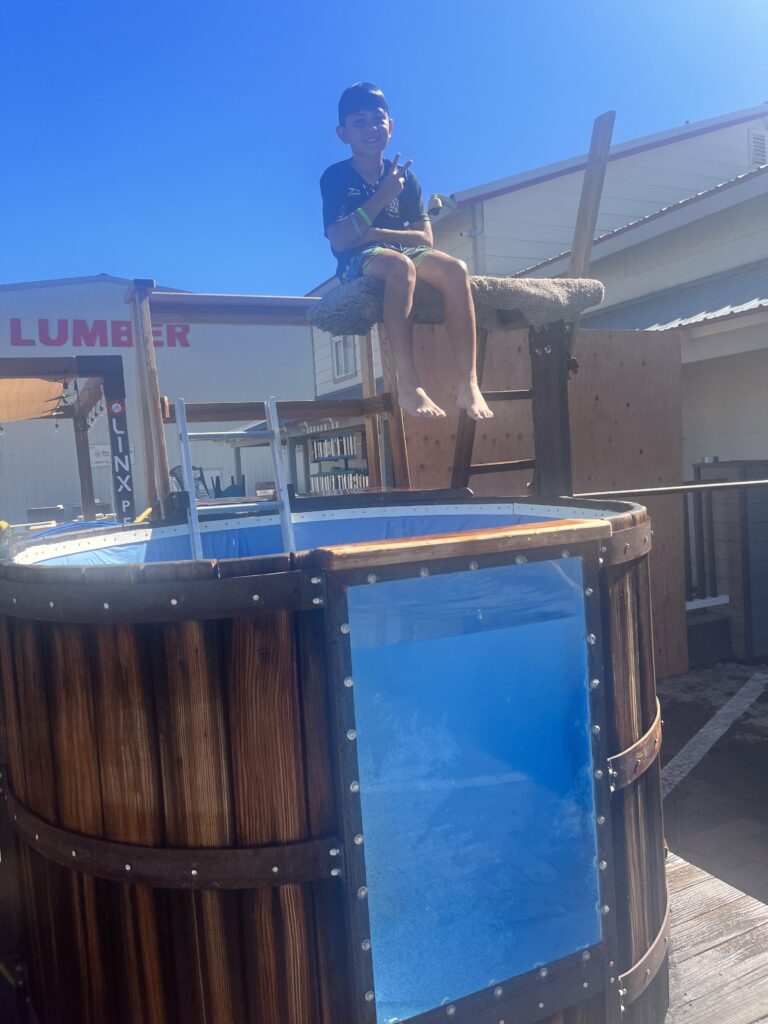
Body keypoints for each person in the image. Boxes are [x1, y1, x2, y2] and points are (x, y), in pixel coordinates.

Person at [320, 82, 493, 422]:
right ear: (343, 133)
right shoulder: (336, 177)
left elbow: (425, 239)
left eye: (377, 119)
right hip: (358, 262)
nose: (370, 128)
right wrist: (382, 197)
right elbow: (340, 241)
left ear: (391, 125)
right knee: (399, 267)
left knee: (456, 269)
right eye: (359, 122)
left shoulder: (407, 180)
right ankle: (409, 384)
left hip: (399, 250)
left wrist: (371, 231)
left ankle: (468, 383)